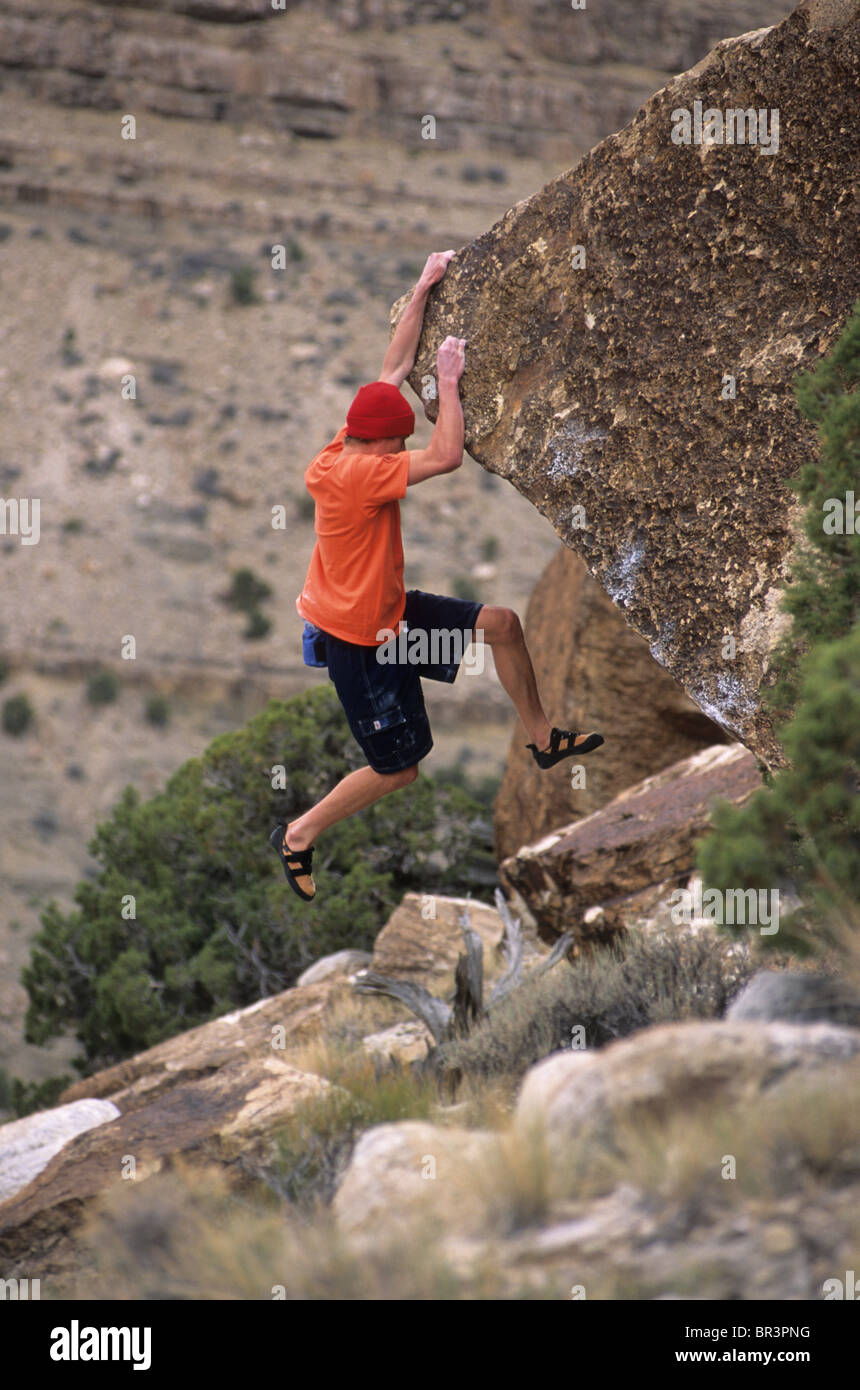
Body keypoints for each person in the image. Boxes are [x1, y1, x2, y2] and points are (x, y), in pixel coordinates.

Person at [272, 250, 603, 900]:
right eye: (397, 444)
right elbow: (448, 455)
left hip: (389, 613)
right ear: (379, 447)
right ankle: (301, 833)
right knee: (399, 773)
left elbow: (390, 369)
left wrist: (422, 285)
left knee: (502, 625)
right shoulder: (363, 473)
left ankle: (543, 738)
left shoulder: (347, 442)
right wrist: (448, 382)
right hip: (362, 645)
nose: (402, 450)